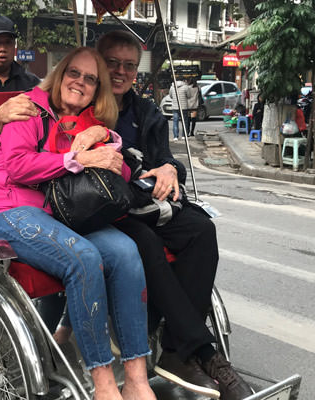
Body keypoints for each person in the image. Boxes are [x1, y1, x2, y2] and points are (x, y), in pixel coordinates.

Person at [0, 47, 156, 400]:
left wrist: (106, 141)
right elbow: (18, 166)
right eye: (74, 73)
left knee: (125, 251)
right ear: (60, 75)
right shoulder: (28, 108)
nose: (80, 82)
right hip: (5, 207)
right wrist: (77, 159)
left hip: (59, 214)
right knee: (84, 258)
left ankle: (137, 380)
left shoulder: (90, 122)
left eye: (90, 79)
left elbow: (119, 173)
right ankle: (103, 384)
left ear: (97, 90)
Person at [93, 31, 253, 400]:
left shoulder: (146, 111)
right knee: (145, 242)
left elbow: (166, 157)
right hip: (103, 208)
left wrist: (169, 168)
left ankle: (174, 346)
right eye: (112, 63)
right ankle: (201, 351)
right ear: (99, 64)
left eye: (128, 65)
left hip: (147, 201)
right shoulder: (85, 104)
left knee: (201, 230)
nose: (120, 71)